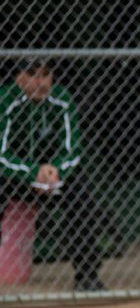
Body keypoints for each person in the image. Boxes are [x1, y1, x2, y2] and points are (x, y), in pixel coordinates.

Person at [0, 58, 105, 291]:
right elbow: (1, 155)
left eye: (46, 74)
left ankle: (87, 275)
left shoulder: (62, 98)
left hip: (53, 176)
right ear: (18, 78)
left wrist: (56, 169)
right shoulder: (5, 99)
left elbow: (73, 149)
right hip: (14, 176)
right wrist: (31, 172)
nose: (41, 82)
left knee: (81, 194)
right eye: (32, 75)